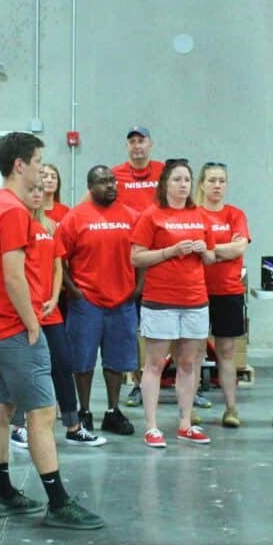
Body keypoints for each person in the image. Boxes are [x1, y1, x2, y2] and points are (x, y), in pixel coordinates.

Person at [0, 131, 105, 529]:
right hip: (15, 327)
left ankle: (4, 494)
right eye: (37, 162)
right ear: (20, 165)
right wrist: (33, 324)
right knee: (43, 413)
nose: (41, 171)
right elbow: (14, 276)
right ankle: (58, 500)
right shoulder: (13, 210)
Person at [9, 181, 106, 448]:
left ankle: (73, 426)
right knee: (27, 368)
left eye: (41, 190)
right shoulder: (16, 225)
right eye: (32, 189)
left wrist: (53, 298)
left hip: (50, 310)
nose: (38, 194)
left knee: (63, 363)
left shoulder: (51, 227)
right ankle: (19, 425)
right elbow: (12, 272)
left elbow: (56, 267)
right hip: (23, 312)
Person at [132, 159, 216, 448]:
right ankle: (152, 426)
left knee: (188, 363)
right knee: (155, 363)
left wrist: (205, 251)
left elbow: (212, 258)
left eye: (187, 180)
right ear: (165, 184)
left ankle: (185, 423)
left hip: (194, 298)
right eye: (177, 179)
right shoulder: (152, 215)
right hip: (160, 299)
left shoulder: (200, 216)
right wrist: (170, 251)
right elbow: (137, 257)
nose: (183, 185)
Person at [58, 165, 138, 436]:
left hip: (122, 302)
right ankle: (85, 411)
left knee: (116, 362)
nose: (110, 185)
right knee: (82, 361)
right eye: (103, 182)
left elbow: (142, 252)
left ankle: (113, 412)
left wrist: (138, 286)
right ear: (90, 187)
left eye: (113, 181)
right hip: (86, 302)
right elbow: (59, 258)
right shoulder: (75, 217)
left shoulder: (131, 216)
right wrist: (73, 290)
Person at [113, 126, 165, 408]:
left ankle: (178, 380)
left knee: (165, 327)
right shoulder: (116, 175)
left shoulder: (163, 172)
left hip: (160, 259)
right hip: (128, 260)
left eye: (141, 140)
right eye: (131, 141)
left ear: (150, 144)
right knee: (131, 325)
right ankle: (136, 381)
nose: (137, 146)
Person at [197, 162, 250, 427]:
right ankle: (189, 409)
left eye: (221, 180)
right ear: (202, 184)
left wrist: (208, 251)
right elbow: (195, 252)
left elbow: (239, 249)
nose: (217, 185)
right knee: (192, 352)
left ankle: (231, 409)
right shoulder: (194, 214)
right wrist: (222, 249)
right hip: (195, 292)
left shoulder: (235, 215)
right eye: (212, 180)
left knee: (226, 352)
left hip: (228, 292)